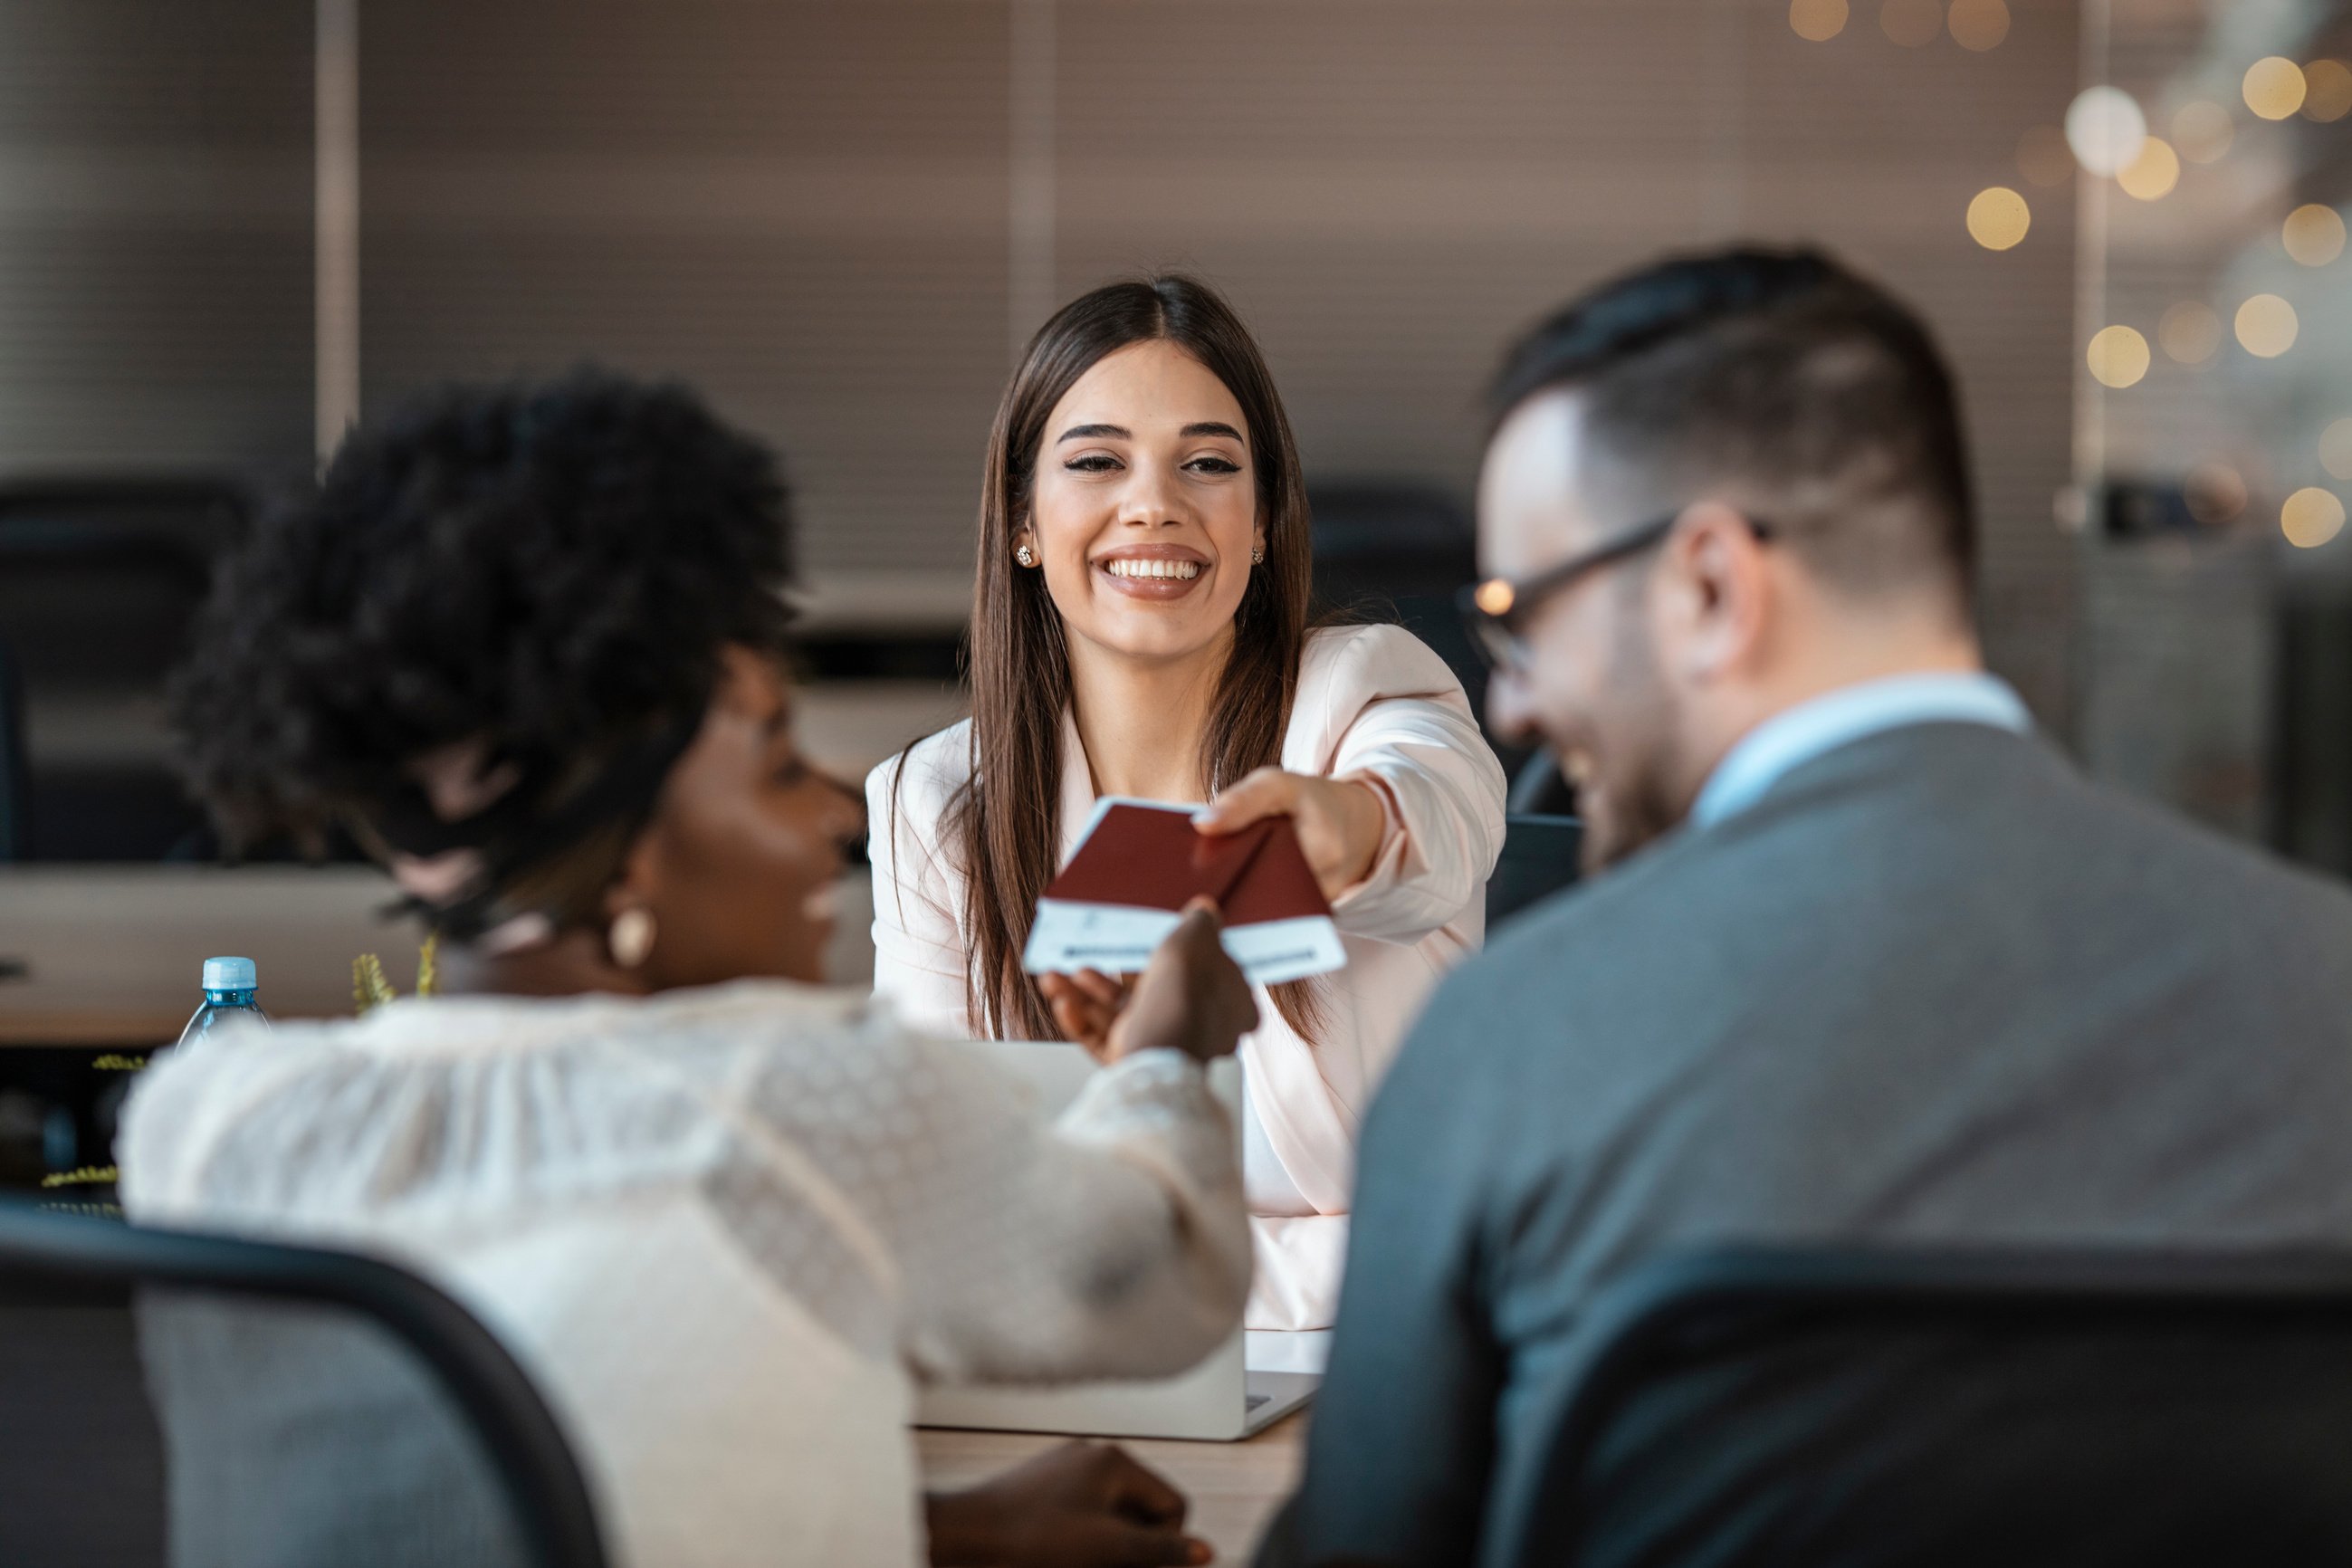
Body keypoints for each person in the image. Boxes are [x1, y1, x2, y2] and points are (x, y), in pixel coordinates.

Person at [1267, 248, 2352, 1564]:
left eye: (1520, 615)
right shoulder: (2324, 984)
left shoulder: (1514, 1045)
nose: (1512, 702)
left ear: (1711, 589)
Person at [120, 370, 1261, 1568]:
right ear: (627, 868)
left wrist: (945, 1530)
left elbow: (489, 1495)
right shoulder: (808, 1102)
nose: (831, 818)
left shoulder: (204, 1120)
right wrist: (1170, 1047)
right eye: (775, 764)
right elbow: (1163, 1280)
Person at [868, 275, 1507, 1357]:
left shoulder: (1369, 696)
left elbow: (1437, 828)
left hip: (1379, 1363)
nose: (1155, 503)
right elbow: (945, 1215)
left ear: (1263, 523)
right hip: (1088, 1396)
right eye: (1097, 461)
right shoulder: (935, 803)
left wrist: (1343, 831)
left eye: (1208, 463)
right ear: (1025, 523)